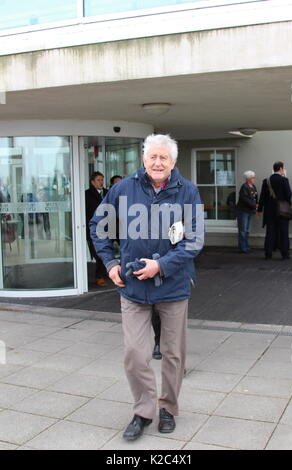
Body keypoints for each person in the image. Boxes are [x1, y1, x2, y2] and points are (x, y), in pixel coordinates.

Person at [89, 134, 203, 441]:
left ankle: (168, 407)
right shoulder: (122, 189)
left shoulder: (188, 192)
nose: (157, 162)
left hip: (173, 286)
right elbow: (98, 228)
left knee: (173, 354)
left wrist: (161, 265)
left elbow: (194, 240)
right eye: (152, 156)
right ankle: (143, 410)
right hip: (133, 288)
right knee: (135, 354)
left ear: (173, 162)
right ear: (143, 158)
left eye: (164, 158)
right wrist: (110, 264)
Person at [257, 161, 292, 260]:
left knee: (270, 232)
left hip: (269, 210)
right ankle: (284, 254)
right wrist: (287, 203)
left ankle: (268, 254)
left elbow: (262, 197)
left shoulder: (266, 180)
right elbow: (289, 194)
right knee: (284, 232)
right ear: (280, 169)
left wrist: (260, 209)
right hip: (282, 210)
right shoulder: (284, 180)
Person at [85, 172, 108, 287]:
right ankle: (99, 276)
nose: (101, 182)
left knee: (107, 252)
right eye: (98, 180)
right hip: (93, 230)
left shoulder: (108, 193)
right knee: (98, 254)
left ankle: (106, 273)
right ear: (92, 182)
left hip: (108, 228)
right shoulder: (87, 195)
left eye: (102, 180)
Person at [236, 171, 258, 253]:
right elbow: (244, 199)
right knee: (243, 230)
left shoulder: (253, 186)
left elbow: (255, 197)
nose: (254, 179)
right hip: (243, 211)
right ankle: (243, 247)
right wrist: (254, 205)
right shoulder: (244, 187)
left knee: (247, 230)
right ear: (248, 178)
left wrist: (256, 204)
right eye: (253, 177)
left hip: (250, 211)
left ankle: (246, 246)